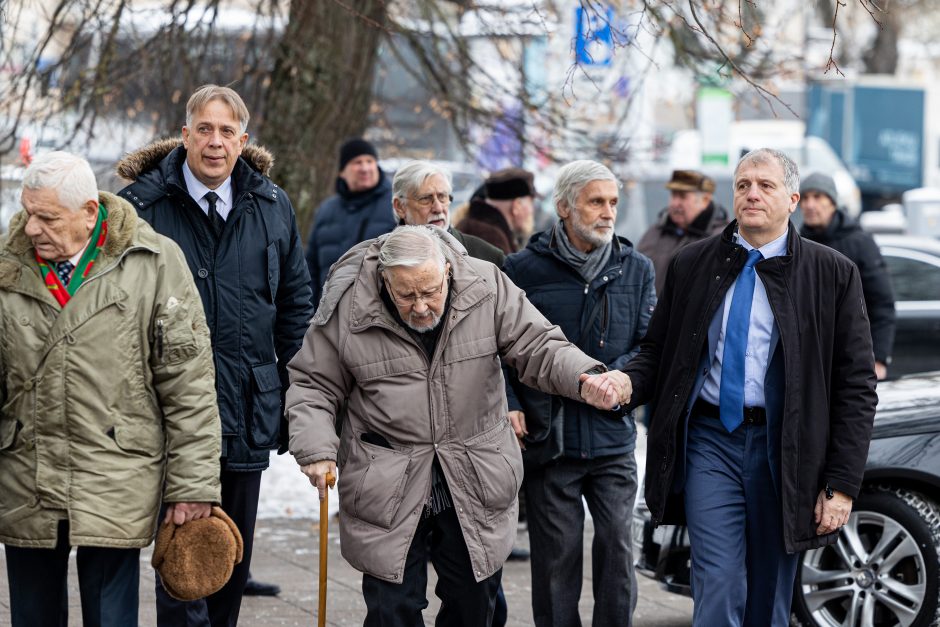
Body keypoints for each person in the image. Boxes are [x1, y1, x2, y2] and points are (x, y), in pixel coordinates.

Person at [584, 148, 878, 626]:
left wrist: (841, 484)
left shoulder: (832, 274)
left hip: (784, 449)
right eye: (743, 185)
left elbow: (856, 385)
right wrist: (624, 383)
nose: (752, 194)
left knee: (768, 596)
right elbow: (659, 353)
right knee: (717, 582)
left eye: (765, 185)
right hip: (709, 441)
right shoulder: (692, 263)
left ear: (793, 200)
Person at [286, 226, 626, 626]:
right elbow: (313, 383)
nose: (421, 306)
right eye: (406, 294)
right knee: (392, 611)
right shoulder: (349, 303)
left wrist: (585, 378)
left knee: (472, 605)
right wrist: (317, 449)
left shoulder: (485, 285)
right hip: (388, 477)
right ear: (384, 280)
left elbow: (538, 345)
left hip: (473, 470)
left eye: (430, 291)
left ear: (448, 271)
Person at [116, 84, 314, 626]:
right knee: (181, 564)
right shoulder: (141, 209)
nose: (215, 142)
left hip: (248, 408)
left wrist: (298, 397)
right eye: (204, 129)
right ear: (184, 136)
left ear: (242, 140)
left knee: (230, 555)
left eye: (227, 132)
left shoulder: (272, 206)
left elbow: (296, 305)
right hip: (169, 416)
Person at [0, 151, 221, 626]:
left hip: (116, 472)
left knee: (111, 618)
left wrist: (194, 485)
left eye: (47, 217)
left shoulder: (155, 262)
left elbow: (189, 385)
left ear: (88, 212)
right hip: (27, 473)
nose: (33, 228)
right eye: (27, 212)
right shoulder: (6, 266)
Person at [502, 160, 655, 626]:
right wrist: (509, 403)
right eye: (596, 202)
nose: (608, 212)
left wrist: (622, 379)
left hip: (612, 437)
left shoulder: (637, 268)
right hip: (552, 440)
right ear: (565, 207)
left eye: (612, 202)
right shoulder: (521, 269)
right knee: (555, 563)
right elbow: (500, 347)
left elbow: (651, 347)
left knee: (616, 551)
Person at [799, 172, 895, 380]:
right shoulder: (797, 244)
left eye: (817, 197)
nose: (809, 204)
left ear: (832, 202)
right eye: (805, 198)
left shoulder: (859, 242)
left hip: (851, 354)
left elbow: (881, 303)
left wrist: (878, 358)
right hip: (810, 359)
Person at [306, 138, 397, 305]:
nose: (365, 168)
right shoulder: (326, 210)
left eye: (370, 161)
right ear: (342, 171)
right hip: (329, 315)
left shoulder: (395, 206)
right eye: (357, 162)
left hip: (376, 315)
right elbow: (310, 268)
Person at [637, 169, 729, 296]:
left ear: (705, 200)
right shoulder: (655, 232)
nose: (675, 203)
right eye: (673, 195)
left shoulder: (721, 239)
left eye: (683, 196)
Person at [457, 167, 536, 254]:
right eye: (531, 202)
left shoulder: (474, 225)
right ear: (516, 206)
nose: (531, 210)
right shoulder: (493, 239)